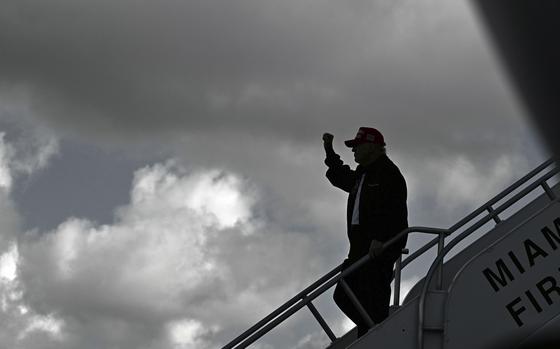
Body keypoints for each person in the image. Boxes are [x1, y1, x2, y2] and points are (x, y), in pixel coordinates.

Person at [323, 127, 408, 338]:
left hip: (377, 251)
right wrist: (329, 151)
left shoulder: (389, 173)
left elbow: (395, 211)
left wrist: (382, 239)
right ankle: (372, 334)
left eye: (356, 146)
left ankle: (378, 335)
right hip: (360, 249)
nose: (354, 151)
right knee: (351, 296)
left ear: (371, 147)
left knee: (361, 298)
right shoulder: (362, 175)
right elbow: (340, 176)